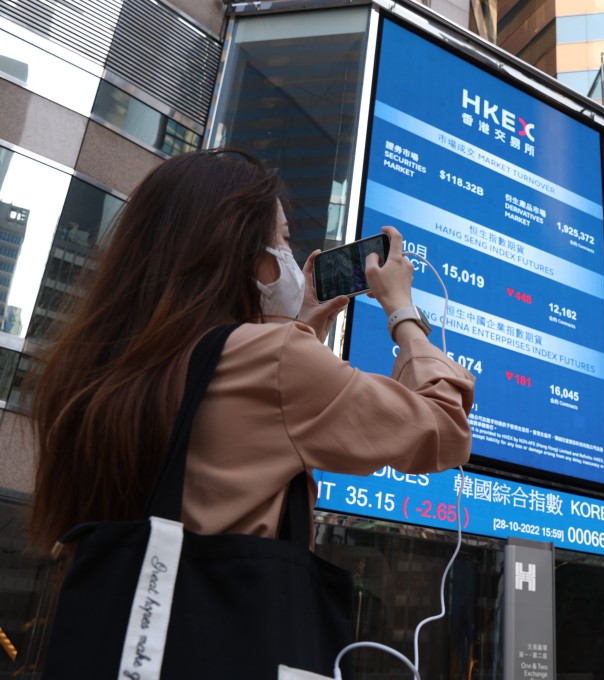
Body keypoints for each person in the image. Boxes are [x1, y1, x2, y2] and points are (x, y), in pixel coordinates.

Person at [28, 148, 475, 549]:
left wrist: (297, 329)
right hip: (221, 634)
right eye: (281, 239)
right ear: (240, 252)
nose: (288, 253)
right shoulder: (276, 359)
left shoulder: (101, 363)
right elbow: (444, 429)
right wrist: (402, 311)